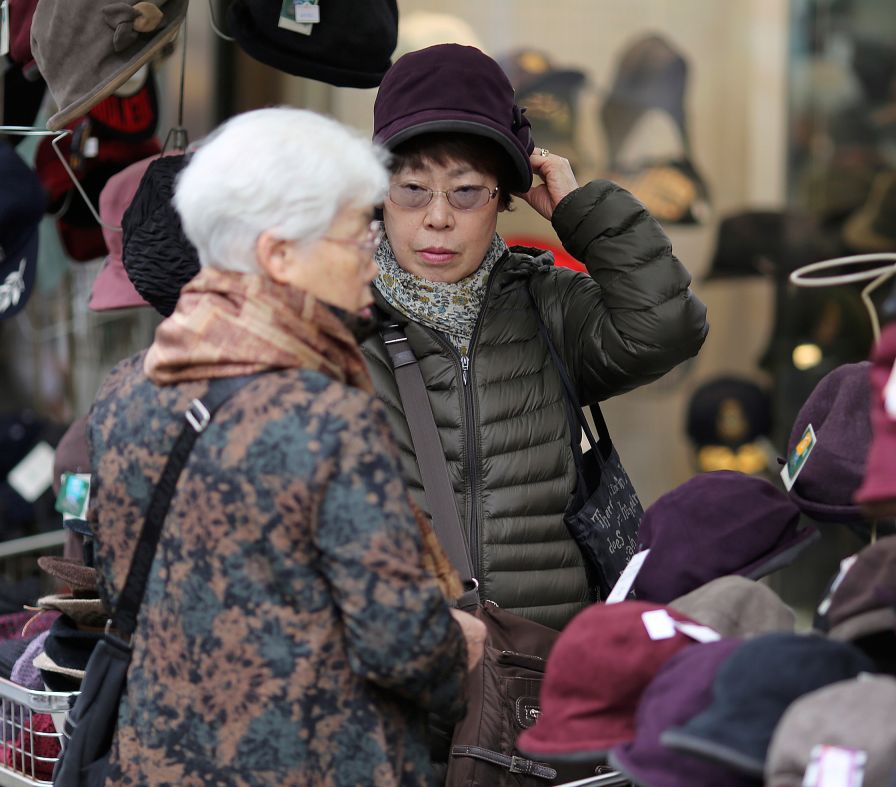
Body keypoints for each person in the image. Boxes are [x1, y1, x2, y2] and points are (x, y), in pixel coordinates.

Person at [83, 107, 484, 785]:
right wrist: (460, 644)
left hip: (158, 758)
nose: (372, 257)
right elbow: (400, 641)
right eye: (356, 236)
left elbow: (120, 582)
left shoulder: (124, 391)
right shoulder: (325, 416)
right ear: (278, 253)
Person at [361, 44, 710, 629]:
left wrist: (577, 208)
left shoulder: (546, 303)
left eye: (466, 191)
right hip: (398, 671)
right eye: (413, 189)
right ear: (381, 198)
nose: (438, 217)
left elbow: (667, 328)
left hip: (539, 672)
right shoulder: (341, 321)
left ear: (503, 198)